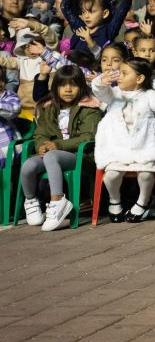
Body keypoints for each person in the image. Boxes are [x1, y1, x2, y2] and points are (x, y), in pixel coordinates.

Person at [92, 58, 155, 223]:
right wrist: (100, 81)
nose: (120, 77)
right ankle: (115, 201)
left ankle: (142, 202)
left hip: (143, 146)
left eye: (124, 73)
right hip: (118, 147)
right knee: (111, 176)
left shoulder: (149, 95)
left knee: (145, 174)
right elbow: (100, 92)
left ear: (139, 78)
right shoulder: (114, 93)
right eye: (119, 73)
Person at [19, 66, 100, 231]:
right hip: (53, 154)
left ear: (82, 87)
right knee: (29, 165)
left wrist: (58, 145)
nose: (68, 89)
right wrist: (41, 146)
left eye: (73, 85)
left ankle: (57, 201)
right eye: (63, 85)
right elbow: (40, 133)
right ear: (55, 88)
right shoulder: (49, 108)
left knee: (52, 156)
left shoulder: (89, 107)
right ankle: (31, 201)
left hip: (81, 156)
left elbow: (88, 137)